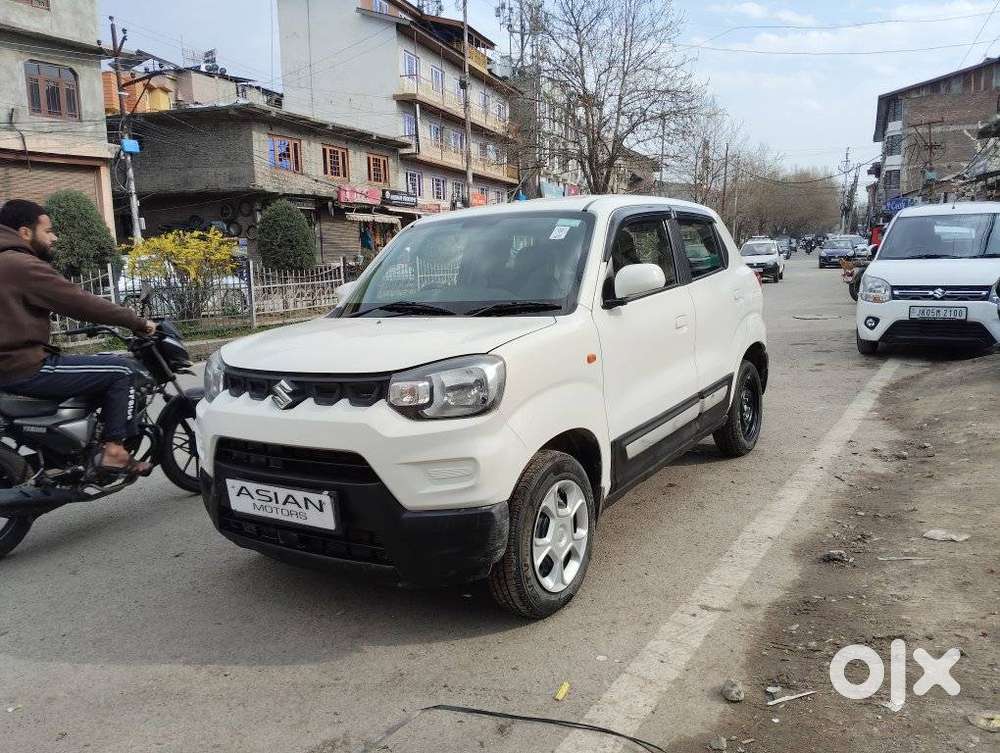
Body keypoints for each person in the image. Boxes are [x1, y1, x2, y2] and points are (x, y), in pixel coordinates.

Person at [0, 200, 157, 475]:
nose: (54, 237)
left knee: (95, 369)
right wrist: (137, 322)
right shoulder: (20, 265)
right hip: (24, 366)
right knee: (122, 371)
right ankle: (114, 451)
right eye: (48, 231)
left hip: (9, 366)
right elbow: (80, 302)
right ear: (25, 232)